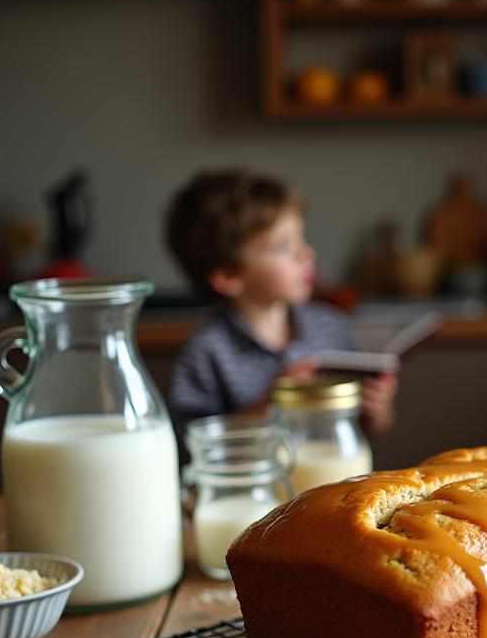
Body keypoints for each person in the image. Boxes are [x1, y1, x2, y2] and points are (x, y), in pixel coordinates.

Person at [165, 169, 397, 439]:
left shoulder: (329, 327)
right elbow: (187, 444)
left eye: (301, 239)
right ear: (228, 275)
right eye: (282, 247)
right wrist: (271, 405)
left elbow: (362, 428)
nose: (306, 254)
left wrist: (378, 411)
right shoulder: (206, 352)